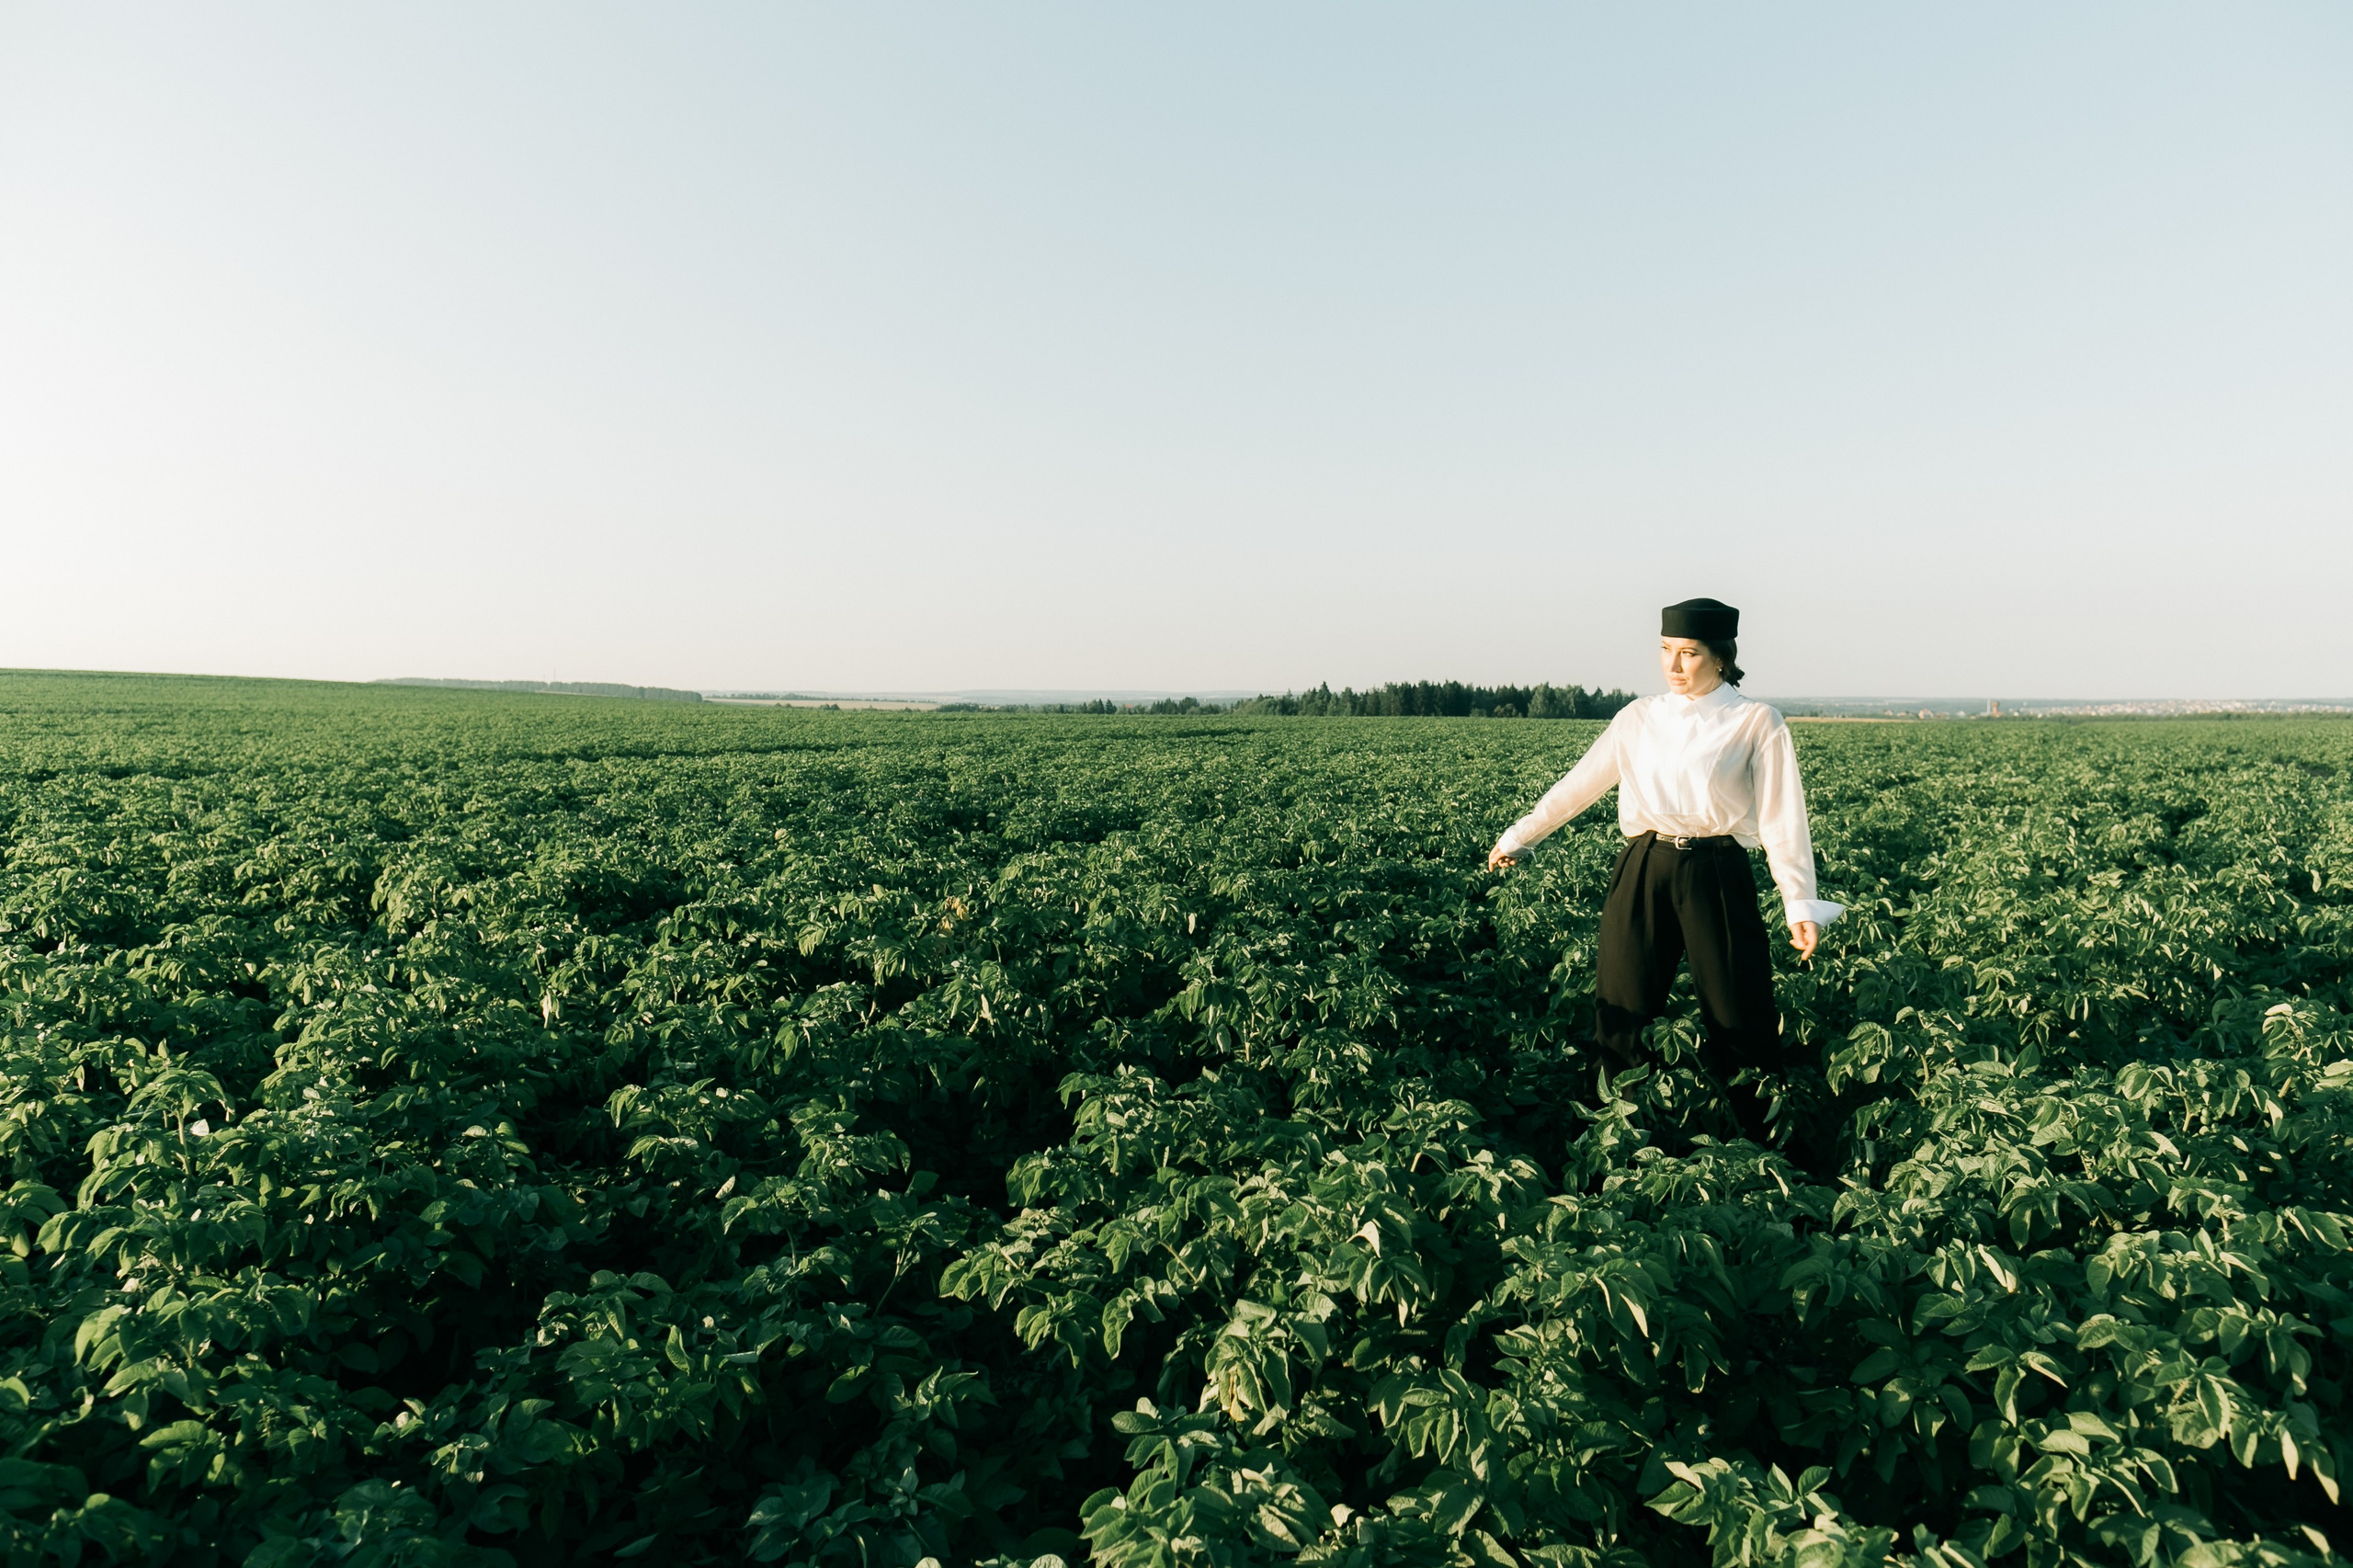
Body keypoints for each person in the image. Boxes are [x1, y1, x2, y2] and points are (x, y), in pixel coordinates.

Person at [1485, 597, 1841, 1142]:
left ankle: (1762, 1151)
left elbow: (1782, 818)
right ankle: (1615, 1146)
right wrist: (1520, 836)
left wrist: (1799, 902)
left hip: (1718, 872)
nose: (1674, 666)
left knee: (1739, 1015)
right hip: (1643, 867)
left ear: (1721, 657)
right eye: (1665, 651)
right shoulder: (1638, 718)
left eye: (1689, 653)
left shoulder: (1754, 722)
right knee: (1621, 1009)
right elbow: (1579, 787)